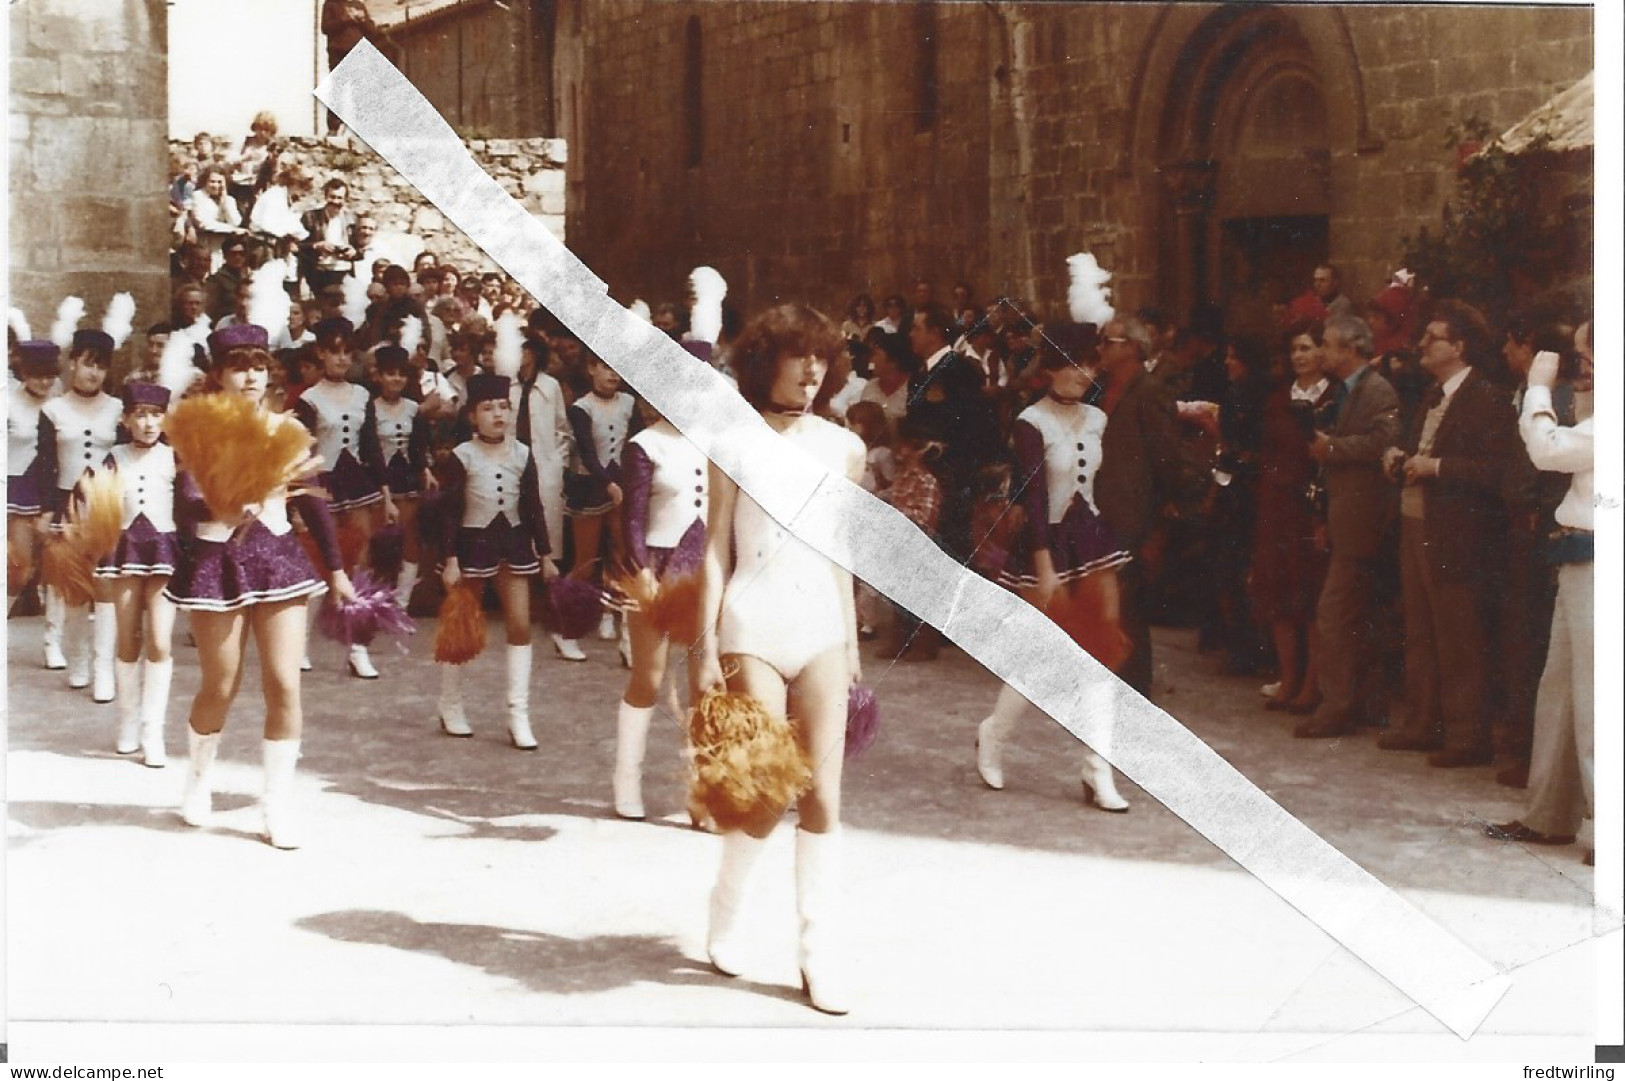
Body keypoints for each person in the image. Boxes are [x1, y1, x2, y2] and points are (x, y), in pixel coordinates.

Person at [696, 303, 864, 1015]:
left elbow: (840, 550)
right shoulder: (731, 440)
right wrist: (704, 643)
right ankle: (726, 911)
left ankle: (815, 954)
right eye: (798, 356)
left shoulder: (843, 448)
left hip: (821, 624)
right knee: (764, 790)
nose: (812, 369)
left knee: (823, 797)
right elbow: (713, 546)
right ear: (765, 361)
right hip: (750, 622)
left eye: (821, 358)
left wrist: (852, 641)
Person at [164, 324, 358, 849]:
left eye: (257, 365)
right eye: (237, 366)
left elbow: (313, 502)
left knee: (284, 682)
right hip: (216, 559)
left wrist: (337, 570)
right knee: (220, 684)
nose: (249, 376)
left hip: (276, 558)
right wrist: (223, 501)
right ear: (219, 374)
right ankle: (199, 780)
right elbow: (184, 501)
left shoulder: (287, 431)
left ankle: (277, 806)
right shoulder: (198, 428)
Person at [974, 326, 1134, 809]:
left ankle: (1097, 770)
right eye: (1069, 364)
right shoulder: (1030, 422)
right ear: (1048, 369)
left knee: (1101, 654)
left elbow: (1104, 485)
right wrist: (1044, 565)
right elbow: (1033, 494)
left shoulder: (1098, 418)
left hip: (1092, 544)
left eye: (1087, 363)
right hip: (1045, 545)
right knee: (1039, 656)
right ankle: (994, 735)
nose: (1080, 373)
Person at [1376, 300, 1517, 766]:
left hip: (1456, 535)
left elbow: (1497, 471)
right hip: (1416, 523)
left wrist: (1434, 467)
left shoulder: (1487, 398)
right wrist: (1401, 461)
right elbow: (1424, 452)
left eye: (1432, 337)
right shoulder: (1431, 396)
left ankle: (1466, 734)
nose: (1421, 344)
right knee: (1420, 630)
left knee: (1458, 634)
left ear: (1458, 346)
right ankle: (1423, 722)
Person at [1487, 323, 1594, 862]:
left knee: (1598, 697)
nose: (1583, 366)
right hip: (1581, 561)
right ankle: (1549, 815)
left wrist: (1537, 388)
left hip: (1601, 562)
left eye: (1590, 355)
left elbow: (1548, 450)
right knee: (1562, 691)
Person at [434, 373, 558, 748]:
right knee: (463, 627)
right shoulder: (461, 456)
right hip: (474, 545)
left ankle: (517, 713)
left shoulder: (522, 453)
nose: (497, 415)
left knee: (520, 626)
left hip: (515, 545)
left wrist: (546, 554)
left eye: (503, 407)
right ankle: (450, 703)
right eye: (488, 409)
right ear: (473, 416)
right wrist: (451, 558)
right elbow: (449, 512)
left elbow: (534, 505)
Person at [1296, 314, 1400, 738]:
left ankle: (1336, 705)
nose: (1322, 351)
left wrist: (1331, 448)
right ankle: (1361, 701)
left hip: (1363, 518)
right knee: (1357, 613)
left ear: (1351, 349)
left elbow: (1382, 442)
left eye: (1328, 344)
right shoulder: (1344, 391)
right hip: (1345, 516)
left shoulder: (1377, 391)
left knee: (1335, 613)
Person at [612, 391, 710, 818]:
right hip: (656, 564)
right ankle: (626, 780)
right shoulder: (644, 445)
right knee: (648, 679)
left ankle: (704, 792)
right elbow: (631, 516)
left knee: (704, 683)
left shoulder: (717, 442)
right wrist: (642, 572)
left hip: (705, 569)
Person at [1093, 315, 1196, 697]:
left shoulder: (1149, 391)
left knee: (1129, 604)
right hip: (1103, 508)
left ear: (1132, 348)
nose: (1101, 348)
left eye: (1110, 341)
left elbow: (1166, 457)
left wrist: (1161, 515)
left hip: (1134, 512)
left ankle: (1134, 687)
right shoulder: (1102, 389)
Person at [292, 317, 397, 678]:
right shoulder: (308, 399)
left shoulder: (362, 395)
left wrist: (386, 491)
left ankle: (358, 647)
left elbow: (371, 445)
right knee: (320, 564)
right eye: (333, 352)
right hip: (322, 485)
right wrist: (299, 504)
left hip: (358, 486)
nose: (340, 359)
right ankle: (299, 644)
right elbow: (301, 453)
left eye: (346, 352)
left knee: (361, 565)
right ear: (320, 353)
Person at [94, 383, 183, 766]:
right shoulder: (113, 457)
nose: (149, 423)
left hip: (164, 548)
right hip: (126, 548)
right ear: (126, 419)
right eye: (141, 415)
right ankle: (128, 723)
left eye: (156, 415)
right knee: (127, 635)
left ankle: (153, 730)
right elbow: (97, 503)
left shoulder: (175, 457)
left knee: (159, 640)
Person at [35, 329, 125, 697]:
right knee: (73, 589)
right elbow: (43, 464)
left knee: (105, 588)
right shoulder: (52, 409)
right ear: (73, 364)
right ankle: (79, 661)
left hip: (107, 505)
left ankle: (104, 668)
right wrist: (44, 510)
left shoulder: (119, 408)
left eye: (101, 366)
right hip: (65, 506)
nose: (93, 373)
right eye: (88, 364)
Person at [1252, 322, 1334, 713]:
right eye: (1294, 349)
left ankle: (1312, 684)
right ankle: (1288, 678)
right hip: (1277, 507)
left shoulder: (1333, 398)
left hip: (1311, 507)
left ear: (1322, 351)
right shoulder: (1278, 399)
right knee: (1280, 595)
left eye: (1306, 347)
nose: (1299, 356)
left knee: (1312, 596)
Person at [563, 352, 637, 653]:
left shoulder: (629, 404)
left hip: (621, 484)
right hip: (590, 486)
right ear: (591, 369)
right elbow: (588, 453)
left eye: (617, 367)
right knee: (586, 559)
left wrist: (626, 481)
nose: (612, 374)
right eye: (605, 366)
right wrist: (607, 483)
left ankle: (610, 613)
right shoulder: (581, 408)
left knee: (620, 554)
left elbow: (634, 443)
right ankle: (565, 625)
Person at [876, 416, 946, 662]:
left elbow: (925, 516)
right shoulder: (903, 476)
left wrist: (895, 511)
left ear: (917, 449)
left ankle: (925, 646)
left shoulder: (927, 480)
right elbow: (892, 496)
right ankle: (899, 642)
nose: (899, 452)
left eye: (904, 446)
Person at [370, 346, 435, 609]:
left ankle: (401, 603)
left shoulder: (412, 409)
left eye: (401, 375)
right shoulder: (370, 408)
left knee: (410, 538)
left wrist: (426, 471)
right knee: (378, 540)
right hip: (379, 479)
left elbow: (419, 446)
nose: (396, 379)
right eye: (390, 374)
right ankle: (374, 599)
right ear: (379, 377)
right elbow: (370, 448)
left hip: (407, 479)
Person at [7, 341, 60, 621]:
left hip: (47, 485)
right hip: (13, 484)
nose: (45, 381)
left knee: (29, 565)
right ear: (23, 372)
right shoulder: (8, 400)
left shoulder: (59, 396)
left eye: (50, 375)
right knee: (18, 565)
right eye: (37, 375)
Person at [299, 179, 360, 296]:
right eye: (332, 197)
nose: (335, 201)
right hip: (319, 272)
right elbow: (298, 246)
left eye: (339, 198)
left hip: (344, 271)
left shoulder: (352, 219)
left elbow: (361, 248)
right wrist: (317, 246)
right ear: (325, 197)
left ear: (345, 199)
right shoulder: (311, 217)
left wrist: (353, 252)